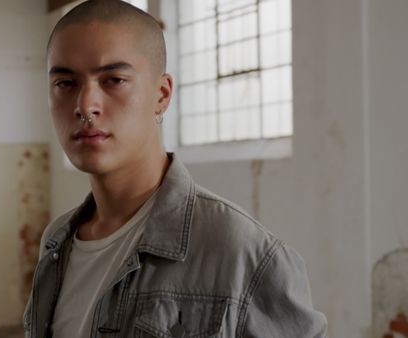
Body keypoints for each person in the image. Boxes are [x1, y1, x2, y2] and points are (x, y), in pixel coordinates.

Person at [24, 1, 328, 337]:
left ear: (162, 95)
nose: (85, 106)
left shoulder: (243, 255)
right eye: (66, 83)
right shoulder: (58, 241)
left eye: (113, 80)